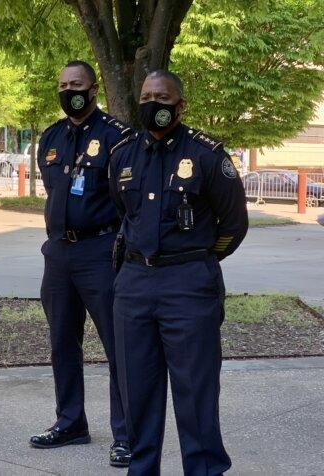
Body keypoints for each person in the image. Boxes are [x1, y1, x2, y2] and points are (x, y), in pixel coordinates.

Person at [109, 70, 248, 475]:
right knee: (137, 390)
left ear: (180, 105)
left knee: (195, 391)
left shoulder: (206, 155)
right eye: (147, 95)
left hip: (188, 284)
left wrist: (196, 261)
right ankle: (142, 468)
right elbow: (125, 214)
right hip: (134, 283)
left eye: (163, 97)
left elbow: (233, 225)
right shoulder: (123, 154)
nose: (154, 103)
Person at [29, 60, 133, 467]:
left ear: (93, 91)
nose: (69, 90)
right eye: (63, 84)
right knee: (61, 344)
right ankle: (70, 422)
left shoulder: (117, 137)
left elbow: (129, 200)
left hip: (101, 252)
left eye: (77, 84)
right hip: (58, 253)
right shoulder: (51, 137)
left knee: (117, 345)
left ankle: (126, 435)